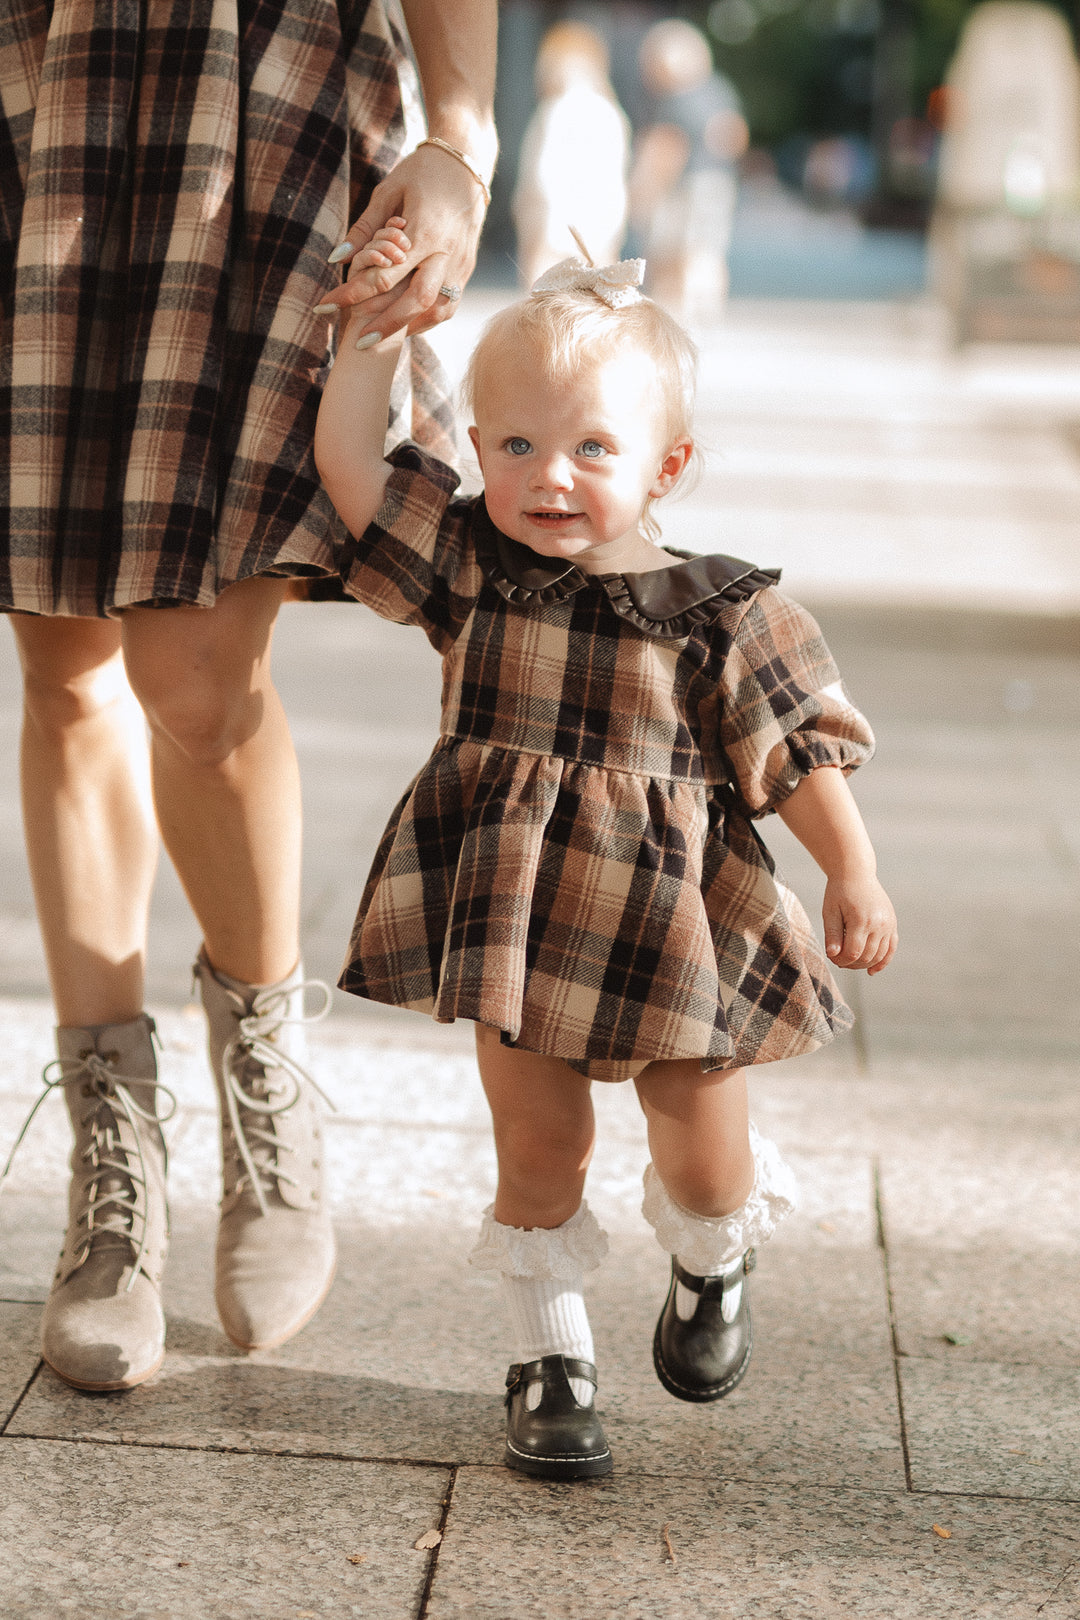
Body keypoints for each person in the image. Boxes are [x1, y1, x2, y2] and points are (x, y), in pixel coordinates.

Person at [315, 234, 898, 1479]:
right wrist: (369, 335)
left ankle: (711, 1258)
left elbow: (797, 753)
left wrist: (852, 869)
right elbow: (353, 472)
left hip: (672, 926)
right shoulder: (471, 569)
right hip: (520, 919)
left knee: (703, 1156)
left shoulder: (721, 611)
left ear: (666, 464)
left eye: (592, 448)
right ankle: (551, 1360)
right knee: (539, 1149)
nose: (551, 477)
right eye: (516, 445)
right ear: (479, 454)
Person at [0, 0, 496, 1392]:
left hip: (259, 76)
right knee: (66, 662)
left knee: (196, 677)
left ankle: (263, 1064)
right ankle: (115, 1148)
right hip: (36, 72)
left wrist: (459, 135)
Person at [629, 19, 748, 322]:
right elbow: (735, 136)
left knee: (672, 253)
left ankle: (674, 316)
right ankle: (705, 310)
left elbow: (666, 148)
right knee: (707, 251)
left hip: (682, 187)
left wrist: (643, 188)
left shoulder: (675, 99)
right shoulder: (719, 90)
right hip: (717, 181)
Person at [511, 20, 631, 287]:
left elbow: (542, 172)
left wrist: (529, 210)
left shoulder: (559, 108)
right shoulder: (610, 111)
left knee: (543, 302)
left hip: (553, 222)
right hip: (601, 221)